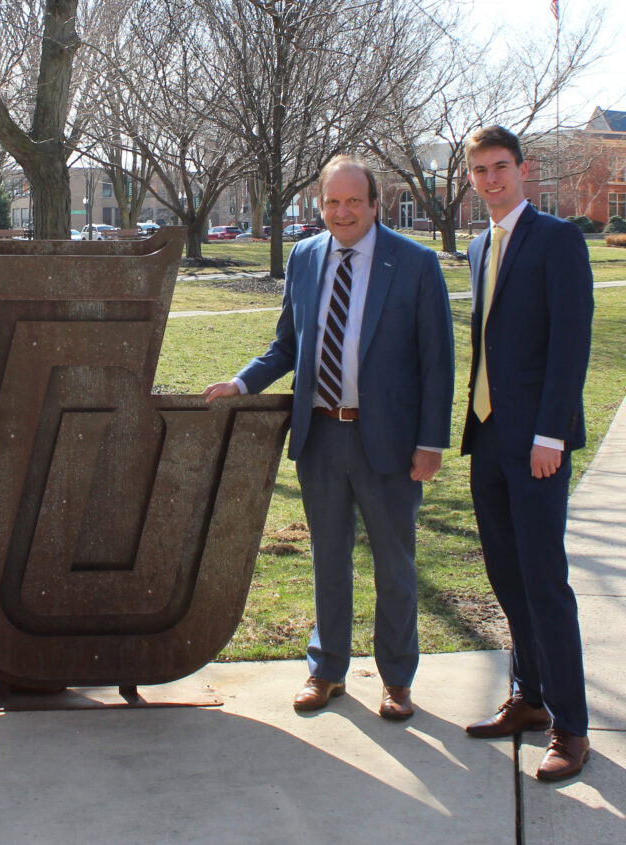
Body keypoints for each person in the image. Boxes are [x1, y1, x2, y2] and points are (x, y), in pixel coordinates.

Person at [204, 155, 454, 720]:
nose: (343, 213)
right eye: (332, 202)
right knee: (329, 561)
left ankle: (397, 679)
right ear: (320, 205)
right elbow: (287, 345)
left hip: (389, 442)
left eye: (354, 202)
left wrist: (431, 443)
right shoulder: (305, 256)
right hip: (320, 435)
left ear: (375, 204)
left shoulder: (413, 263)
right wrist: (242, 382)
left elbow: (437, 361)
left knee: (395, 566)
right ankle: (327, 669)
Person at [461, 126, 593, 781]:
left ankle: (572, 726)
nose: (491, 180)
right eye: (480, 171)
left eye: (500, 167)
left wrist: (552, 433)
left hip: (538, 444)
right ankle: (530, 697)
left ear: (523, 168)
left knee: (544, 583)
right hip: (487, 438)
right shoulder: (478, 244)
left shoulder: (557, 238)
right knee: (508, 580)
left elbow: (571, 342)